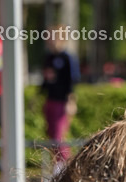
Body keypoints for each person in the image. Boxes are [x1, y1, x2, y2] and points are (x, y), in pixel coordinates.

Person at [41, 29, 80, 167]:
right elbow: (45, 81)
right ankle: (56, 166)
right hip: (50, 101)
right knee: (51, 137)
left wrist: (70, 101)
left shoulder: (67, 58)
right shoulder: (48, 58)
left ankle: (64, 167)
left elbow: (72, 81)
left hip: (61, 102)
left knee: (59, 137)